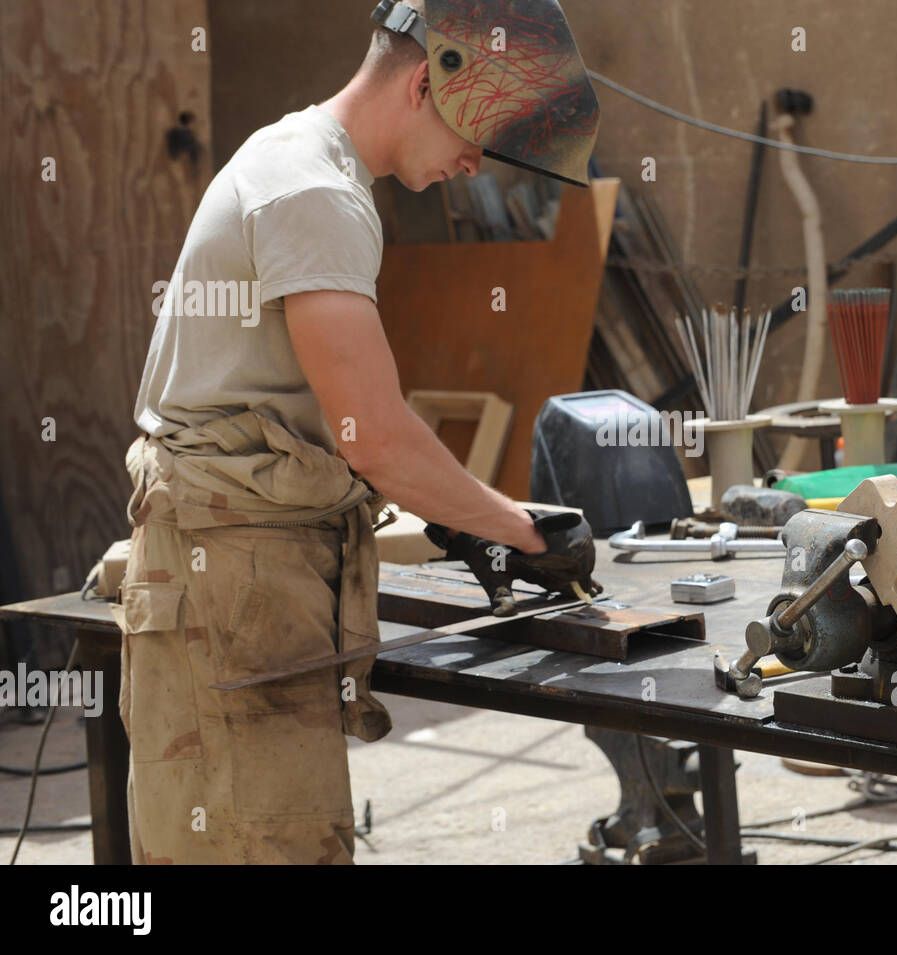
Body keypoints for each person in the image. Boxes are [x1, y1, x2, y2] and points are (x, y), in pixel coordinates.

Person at [112, 0, 600, 864]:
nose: (475, 162)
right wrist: (521, 531)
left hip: (237, 574)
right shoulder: (316, 191)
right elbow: (369, 430)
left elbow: (336, 422)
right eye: (478, 134)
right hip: (229, 583)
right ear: (426, 80)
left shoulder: (299, 160)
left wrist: (455, 516)